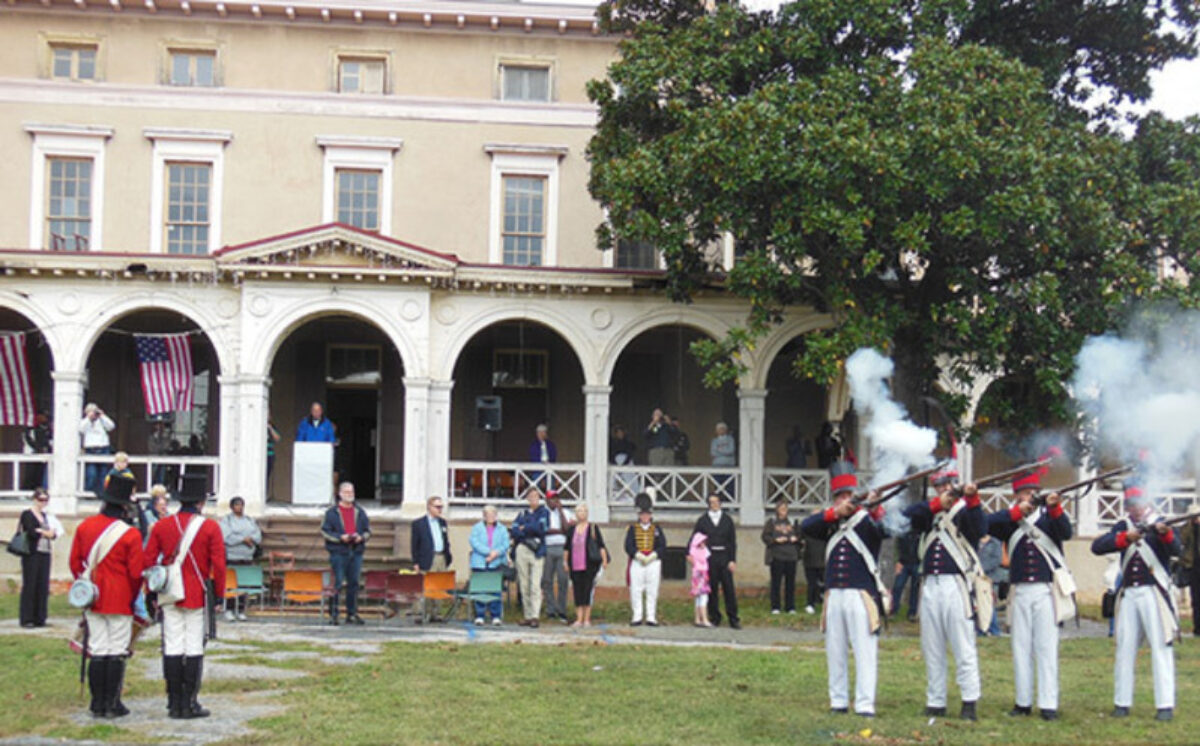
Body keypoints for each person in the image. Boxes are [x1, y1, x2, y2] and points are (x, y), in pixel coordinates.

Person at [986, 458, 1072, 721]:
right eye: (1024, 492)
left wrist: (1055, 507)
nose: (1030, 495)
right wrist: (1016, 512)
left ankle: (1048, 704)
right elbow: (985, 523)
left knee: (1046, 648)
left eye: (1033, 491)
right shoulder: (1009, 520)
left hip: (1046, 590)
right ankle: (1022, 701)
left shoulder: (1049, 518)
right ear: (1017, 495)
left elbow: (1065, 532)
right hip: (1019, 590)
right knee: (1020, 647)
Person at [1090, 478, 1181, 722]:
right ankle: (1122, 702)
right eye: (1130, 503)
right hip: (1129, 593)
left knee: (1161, 647)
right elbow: (1097, 547)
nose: (1135, 508)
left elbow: (1177, 550)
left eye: (1138, 502)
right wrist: (1125, 538)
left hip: (1154, 592)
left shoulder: (1162, 523)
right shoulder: (1123, 525)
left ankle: (1165, 704)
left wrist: (1166, 535)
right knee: (1125, 648)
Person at [800, 462, 886, 718]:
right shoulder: (831, 522)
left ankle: (865, 704)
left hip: (861, 595)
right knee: (835, 651)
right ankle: (838, 701)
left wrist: (875, 507)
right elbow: (806, 526)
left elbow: (886, 530)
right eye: (840, 496)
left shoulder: (866, 521)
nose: (845, 499)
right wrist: (834, 513)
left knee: (864, 652)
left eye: (848, 495)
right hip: (834, 594)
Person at [901, 464, 985, 721]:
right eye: (939, 485)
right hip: (930, 584)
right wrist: (937, 505)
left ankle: (969, 701)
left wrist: (972, 499)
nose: (943, 489)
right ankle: (935, 700)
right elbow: (907, 516)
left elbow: (980, 528)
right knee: (932, 647)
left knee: (963, 646)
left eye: (947, 484)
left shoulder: (965, 511)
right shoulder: (929, 512)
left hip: (955, 585)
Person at [145, 473, 224, 720]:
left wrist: (150, 592)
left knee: (172, 646)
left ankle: (173, 702)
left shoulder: (162, 526)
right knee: (193, 647)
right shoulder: (210, 527)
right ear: (201, 502)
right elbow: (219, 565)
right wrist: (219, 595)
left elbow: (149, 562)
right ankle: (189, 702)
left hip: (169, 592)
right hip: (197, 593)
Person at [68, 473, 144, 719]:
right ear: (125, 506)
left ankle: (97, 703)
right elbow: (136, 574)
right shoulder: (131, 534)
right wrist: (132, 597)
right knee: (117, 650)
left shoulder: (85, 527)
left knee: (98, 649)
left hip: (94, 598)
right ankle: (112, 703)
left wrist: (86, 588)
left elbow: (74, 563)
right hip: (120, 597)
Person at [320, 482, 371, 625]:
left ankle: (352, 613)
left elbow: (368, 531)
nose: (350, 495)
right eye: (347, 492)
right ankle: (334, 614)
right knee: (337, 583)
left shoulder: (360, 512)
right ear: (340, 494)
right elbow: (325, 531)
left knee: (354, 583)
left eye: (351, 492)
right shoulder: (331, 513)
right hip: (338, 552)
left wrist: (361, 537)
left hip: (356, 551)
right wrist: (339, 538)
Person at [691, 494, 739, 628]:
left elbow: (732, 541)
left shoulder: (727, 520)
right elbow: (695, 539)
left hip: (724, 557)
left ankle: (733, 618)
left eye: (717, 502)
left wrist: (732, 560)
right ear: (708, 504)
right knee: (711, 588)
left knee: (728, 588)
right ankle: (714, 616)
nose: (714, 504)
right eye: (711, 502)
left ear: (720, 503)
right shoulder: (703, 520)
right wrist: (694, 555)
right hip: (709, 557)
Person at [18, 487, 60, 627]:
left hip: (45, 552)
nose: (43, 503)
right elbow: (31, 531)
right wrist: (44, 532)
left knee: (42, 584)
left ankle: (40, 617)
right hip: (32, 553)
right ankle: (27, 618)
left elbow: (54, 533)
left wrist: (44, 532)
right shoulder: (27, 514)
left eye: (46, 500)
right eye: (41, 500)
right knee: (30, 583)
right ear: (35, 499)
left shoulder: (47, 516)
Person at [625, 493, 667, 626]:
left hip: (653, 561)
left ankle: (651, 616)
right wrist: (637, 555)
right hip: (638, 561)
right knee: (636, 589)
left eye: (647, 514)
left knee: (652, 589)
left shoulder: (657, 529)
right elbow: (628, 545)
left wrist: (653, 555)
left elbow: (662, 545)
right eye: (642, 514)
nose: (645, 517)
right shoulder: (633, 529)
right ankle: (637, 616)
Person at [564, 503, 609, 627]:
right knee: (577, 591)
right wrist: (565, 562)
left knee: (587, 591)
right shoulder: (571, 530)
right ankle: (579, 618)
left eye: (584, 511)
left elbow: (601, 545)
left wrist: (604, 560)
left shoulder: (593, 528)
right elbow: (567, 548)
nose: (581, 513)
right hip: (575, 565)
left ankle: (586, 619)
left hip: (589, 565)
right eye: (579, 511)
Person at [510, 487, 550, 626]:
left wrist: (525, 528)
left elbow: (541, 529)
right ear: (527, 498)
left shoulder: (544, 512)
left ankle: (535, 616)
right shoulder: (522, 513)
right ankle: (527, 615)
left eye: (536, 496)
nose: (533, 498)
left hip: (537, 551)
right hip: (522, 549)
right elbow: (514, 530)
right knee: (524, 583)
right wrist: (527, 529)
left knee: (535, 585)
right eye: (531, 496)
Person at [220, 497, 262, 622]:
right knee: (231, 584)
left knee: (243, 584)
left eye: (241, 505)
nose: (239, 507)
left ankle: (241, 609)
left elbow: (257, 535)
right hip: (232, 557)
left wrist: (250, 539)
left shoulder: (249, 520)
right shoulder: (227, 520)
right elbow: (226, 537)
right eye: (237, 505)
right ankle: (229, 609)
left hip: (247, 557)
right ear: (232, 507)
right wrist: (243, 539)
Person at [411, 495, 452, 621]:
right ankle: (421, 613)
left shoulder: (442, 522)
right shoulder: (419, 524)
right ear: (429, 507)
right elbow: (414, 544)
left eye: (441, 507)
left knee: (439, 586)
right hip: (427, 557)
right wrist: (416, 562)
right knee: (425, 586)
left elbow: (445, 540)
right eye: (437, 507)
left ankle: (436, 613)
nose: (440, 509)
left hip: (441, 556)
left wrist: (447, 556)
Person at [468, 504, 510, 626]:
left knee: (495, 589)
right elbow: (474, 542)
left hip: (496, 562)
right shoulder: (477, 528)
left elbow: (506, 543)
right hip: (480, 561)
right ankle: (480, 615)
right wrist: (488, 552)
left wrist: (495, 553)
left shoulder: (502, 529)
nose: (491, 517)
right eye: (488, 515)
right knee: (480, 589)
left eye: (493, 514)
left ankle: (495, 615)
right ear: (484, 516)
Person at [762, 500, 800, 615]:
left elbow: (800, 535)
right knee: (776, 583)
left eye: (785, 508)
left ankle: (790, 606)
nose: (783, 510)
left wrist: (796, 539)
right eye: (781, 508)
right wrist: (775, 540)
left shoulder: (792, 521)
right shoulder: (772, 522)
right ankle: (775, 606)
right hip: (777, 556)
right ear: (777, 510)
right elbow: (765, 536)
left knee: (790, 583)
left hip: (791, 556)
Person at [542, 490, 573, 623]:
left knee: (562, 579)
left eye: (556, 499)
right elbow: (544, 530)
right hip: (547, 548)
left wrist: (560, 511)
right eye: (551, 499)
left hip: (562, 548)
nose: (554, 501)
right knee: (547, 579)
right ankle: (550, 609)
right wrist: (559, 531)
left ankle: (562, 610)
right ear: (546, 501)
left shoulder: (566, 512)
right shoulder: (543, 512)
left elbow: (567, 529)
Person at [79, 402, 116, 494]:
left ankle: (102, 493)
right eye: (90, 411)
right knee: (91, 474)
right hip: (90, 449)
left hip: (103, 448)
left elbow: (111, 426)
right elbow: (81, 429)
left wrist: (102, 416)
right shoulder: (85, 422)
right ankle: (89, 493)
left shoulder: (101, 420)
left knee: (103, 473)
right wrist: (89, 418)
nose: (93, 413)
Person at [978, 534, 1005, 636]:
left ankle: (994, 629)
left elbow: (997, 560)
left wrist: (981, 568)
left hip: (990, 578)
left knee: (990, 603)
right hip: (976, 577)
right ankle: (981, 629)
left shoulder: (995, 543)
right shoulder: (975, 541)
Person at [1178, 513, 1200, 637]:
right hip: (1193, 567)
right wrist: (1191, 524)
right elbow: (1182, 539)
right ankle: (1197, 628)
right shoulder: (1187, 528)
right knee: (1196, 600)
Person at [891, 532, 920, 621]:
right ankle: (893, 610)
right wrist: (897, 561)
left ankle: (912, 612)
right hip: (903, 563)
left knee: (915, 589)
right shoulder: (902, 531)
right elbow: (896, 546)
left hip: (917, 563)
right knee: (897, 586)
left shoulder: (920, 532)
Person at [802, 520, 826, 615]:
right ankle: (810, 603)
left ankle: (820, 601)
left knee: (823, 584)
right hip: (810, 562)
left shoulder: (825, 532)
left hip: (822, 561)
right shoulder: (806, 532)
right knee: (812, 584)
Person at [688, 532, 712, 627]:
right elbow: (705, 558)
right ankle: (704, 619)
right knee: (703, 597)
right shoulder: (700, 551)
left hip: (698, 574)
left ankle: (697, 619)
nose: (703, 544)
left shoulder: (693, 551)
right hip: (700, 575)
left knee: (698, 597)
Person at [609, 425, 639, 500]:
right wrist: (616, 464)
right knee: (613, 481)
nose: (620, 434)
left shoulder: (628, 443)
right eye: (618, 433)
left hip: (627, 463)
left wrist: (624, 463)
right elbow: (610, 455)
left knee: (630, 480)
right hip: (615, 463)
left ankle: (632, 497)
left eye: (621, 432)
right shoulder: (612, 444)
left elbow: (630, 453)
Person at [22, 411, 51, 489]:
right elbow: (28, 440)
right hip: (32, 454)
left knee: (39, 475)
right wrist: (37, 448)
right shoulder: (30, 430)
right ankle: (26, 490)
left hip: (42, 455)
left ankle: (37, 489)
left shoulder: (45, 430)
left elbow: (47, 441)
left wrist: (46, 449)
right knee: (30, 474)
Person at [710, 422, 736, 499]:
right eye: (719, 429)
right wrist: (724, 451)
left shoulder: (730, 439)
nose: (720, 431)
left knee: (729, 486)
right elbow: (713, 452)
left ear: (725, 430)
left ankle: (730, 501)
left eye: (722, 429)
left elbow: (731, 450)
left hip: (729, 466)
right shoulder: (714, 441)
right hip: (717, 466)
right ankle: (719, 501)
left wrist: (719, 450)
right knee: (718, 485)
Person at [266, 419, 281, 497]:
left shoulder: (272, 426)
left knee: (267, 475)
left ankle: (265, 494)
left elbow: (277, 438)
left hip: (269, 454)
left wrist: (270, 428)